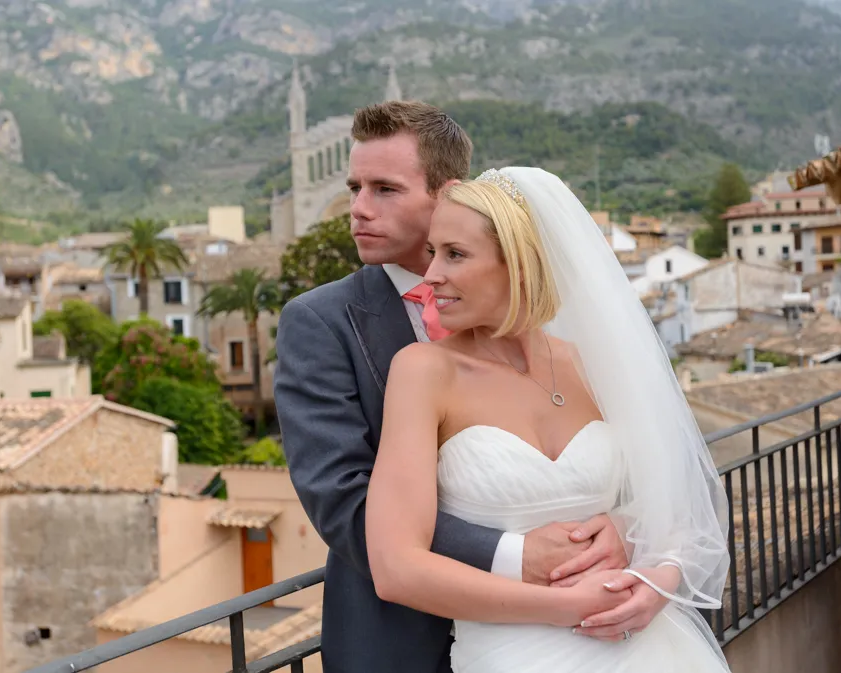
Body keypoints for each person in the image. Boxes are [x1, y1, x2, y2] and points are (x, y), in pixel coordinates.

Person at [274, 103, 666, 673]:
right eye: (354, 187)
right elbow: (343, 499)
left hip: (587, 634)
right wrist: (517, 556)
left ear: (447, 191)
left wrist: (621, 530)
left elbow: (646, 468)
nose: (357, 209)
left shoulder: (555, 319)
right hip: (402, 644)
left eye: (384, 189)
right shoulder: (320, 322)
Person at [364, 167, 732, 672]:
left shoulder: (593, 364)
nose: (430, 276)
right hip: (516, 654)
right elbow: (396, 569)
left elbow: (685, 506)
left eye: (455, 254)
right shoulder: (424, 372)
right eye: (434, 252)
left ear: (518, 265)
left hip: (649, 646)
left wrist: (656, 584)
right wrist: (564, 607)